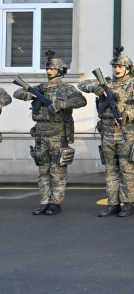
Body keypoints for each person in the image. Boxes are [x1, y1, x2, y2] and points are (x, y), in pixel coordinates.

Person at [78, 46, 134, 218]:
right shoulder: (107, 83)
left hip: (126, 134)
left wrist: (128, 114)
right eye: (115, 66)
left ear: (127, 68)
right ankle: (112, 204)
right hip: (108, 134)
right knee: (110, 171)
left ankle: (128, 204)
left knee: (126, 170)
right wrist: (96, 89)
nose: (117, 69)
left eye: (120, 66)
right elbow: (82, 84)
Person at [13, 49, 86, 216]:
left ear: (60, 70)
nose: (48, 71)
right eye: (47, 69)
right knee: (43, 171)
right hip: (40, 136)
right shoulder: (41, 88)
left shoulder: (66, 89)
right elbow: (17, 92)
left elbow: (81, 100)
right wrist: (30, 96)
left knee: (57, 171)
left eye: (52, 69)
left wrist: (60, 105)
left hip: (58, 136)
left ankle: (56, 203)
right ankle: (44, 202)